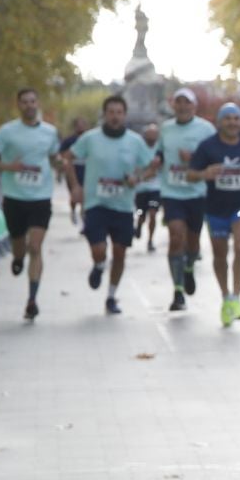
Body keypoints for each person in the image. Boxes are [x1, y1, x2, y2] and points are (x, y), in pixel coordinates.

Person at [0, 88, 71, 321]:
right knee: (19, 244)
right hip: (14, 197)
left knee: (36, 247)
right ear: (18, 105)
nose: (29, 106)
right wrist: (9, 167)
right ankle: (17, 258)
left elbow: (53, 157)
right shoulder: (7, 131)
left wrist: (61, 164)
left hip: (41, 197)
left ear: (38, 103)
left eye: (33, 101)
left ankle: (32, 299)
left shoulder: (50, 132)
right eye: (24, 102)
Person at [71, 96, 156, 316]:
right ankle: (99, 265)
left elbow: (152, 167)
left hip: (123, 206)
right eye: (111, 112)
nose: (115, 116)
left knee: (119, 254)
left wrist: (137, 178)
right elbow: (67, 158)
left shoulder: (134, 141)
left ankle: (111, 296)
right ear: (105, 114)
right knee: (99, 250)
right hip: (96, 203)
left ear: (124, 115)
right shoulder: (90, 139)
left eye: (119, 112)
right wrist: (75, 186)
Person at [189, 103, 240, 328]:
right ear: (220, 122)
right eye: (228, 119)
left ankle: (237, 296)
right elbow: (190, 174)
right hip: (215, 208)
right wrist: (205, 173)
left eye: (236, 118)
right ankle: (225, 296)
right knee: (219, 254)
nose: (233, 123)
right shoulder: (208, 146)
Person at [154, 87, 217, 313]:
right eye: (178, 102)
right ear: (174, 106)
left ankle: (189, 266)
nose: (182, 107)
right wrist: (154, 163)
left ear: (194, 106)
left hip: (196, 193)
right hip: (172, 192)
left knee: (192, 241)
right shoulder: (166, 129)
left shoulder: (206, 129)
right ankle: (178, 290)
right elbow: (159, 153)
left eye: (187, 103)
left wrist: (194, 159)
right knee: (175, 236)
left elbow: (215, 156)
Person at [133, 124, 163, 252]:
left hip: (155, 189)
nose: (152, 137)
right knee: (141, 213)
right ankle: (139, 225)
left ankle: (150, 240)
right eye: (149, 134)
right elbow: (134, 168)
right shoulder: (138, 149)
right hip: (141, 189)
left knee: (153, 213)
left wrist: (157, 168)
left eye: (154, 134)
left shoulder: (160, 149)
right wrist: (146, 169)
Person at [59, 118, 88, 225]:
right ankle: (73, 210)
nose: (81, 127)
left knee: (85, 197)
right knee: (74, 195)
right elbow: (62, 155)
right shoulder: (69, 140)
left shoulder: (89, 139)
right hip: (73, 171)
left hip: (86, 171)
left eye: (83, 124)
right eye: (78, 125)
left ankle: (84, 218)